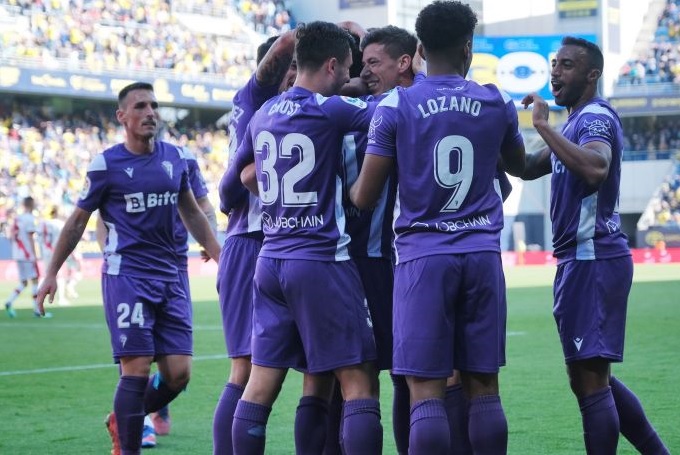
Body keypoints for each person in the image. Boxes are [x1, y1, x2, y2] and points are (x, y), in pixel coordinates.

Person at [350, 2, 526, 453]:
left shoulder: (396, 105)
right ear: (468, 48)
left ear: (421, 50)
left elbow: (365, 198)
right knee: (484, 387)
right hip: (483, 257)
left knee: (425, 391)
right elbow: (522, 168)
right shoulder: (497, 100)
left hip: (422, 259)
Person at [36, 81, 222, 455]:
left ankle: (122, 418)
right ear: (122, 116)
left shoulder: (176, 159)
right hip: (129, 277)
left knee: (179, 374)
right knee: (135, 371)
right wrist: (52, 272)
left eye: (153, 106)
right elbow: (77, 222)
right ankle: (129, 446)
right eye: (139, 107)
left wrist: (221, 255)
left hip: (172, 277)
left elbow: (193, 211)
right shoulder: (107, 164)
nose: (149, 113)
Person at [228, 21, 382, 455]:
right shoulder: (330, 110)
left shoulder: (263, 114)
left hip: (271, 260)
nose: (351, 76)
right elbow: (388, 111)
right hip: (319, 261)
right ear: (332, 65)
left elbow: (243, 175)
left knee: (259, 386)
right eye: (348, 68)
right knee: (359, 380)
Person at [520, 36, 670, 455]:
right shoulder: (572, 123)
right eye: (554, 64)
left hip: (593, 258)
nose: (555, 72)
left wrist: (544, 127)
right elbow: (528, 166)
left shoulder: (595, 118)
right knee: (588, 376)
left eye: (567, 65)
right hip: (578, 260)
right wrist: (493, 130)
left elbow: (597, 167)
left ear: (592, 74)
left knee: (590, 380)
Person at [332, 24, 419, 455]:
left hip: (335, 263)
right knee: (406, 374)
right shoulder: (403, 106)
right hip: (383, 264)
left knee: (341, 379)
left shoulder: (326, 108)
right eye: (359, 64)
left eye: (372, 63)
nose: (365, 72)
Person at [213, 30, 296, 455]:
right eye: (293, 69)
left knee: (329, 372)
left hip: (291, 245)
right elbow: (281, 51)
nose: (298, 77)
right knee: (245, 371)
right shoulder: (255, 97)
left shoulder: (293, 108)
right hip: (251, 240)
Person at [5, 196, 48, 318]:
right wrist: (34, 254)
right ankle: (37, 310)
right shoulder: (29, 218)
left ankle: (9, 301)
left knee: (24, 282)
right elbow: (30, 238)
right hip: (27, 254)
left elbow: (11, 236)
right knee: (35, 279)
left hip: (17, 254)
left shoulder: (17, 219)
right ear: (31, 204)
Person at [38, 206, 70, 307]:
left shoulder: (44, 223)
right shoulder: (60, 224)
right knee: (60, 275)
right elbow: (65, 238)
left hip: (45, 251)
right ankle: (61, 299)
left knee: (45, 274)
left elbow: (39, 238)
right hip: (56, 251)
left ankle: (38, 296)